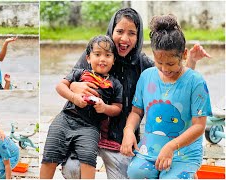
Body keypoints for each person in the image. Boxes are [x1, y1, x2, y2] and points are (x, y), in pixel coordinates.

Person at [62, 7, 211, 179]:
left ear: (138, 36)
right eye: (119, 31)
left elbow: (179, 85)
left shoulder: (145, 66)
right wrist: (74, 88)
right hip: (88, 130)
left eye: (131, 33)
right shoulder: (97, 52)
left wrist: (190, 61)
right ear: (112, 30)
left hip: (134, 144)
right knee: (78, 169)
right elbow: (68, 81)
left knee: (134, 173)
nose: (124, 38)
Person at [120, 14, 212, 179]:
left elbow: (199, 126)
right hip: (150, 150)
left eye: (170, 64)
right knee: (135, 173)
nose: (164, 69)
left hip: (184, 154)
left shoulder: (196, 82)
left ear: (184, 55)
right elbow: (136, 111)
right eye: (159, 63)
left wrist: (171, 147)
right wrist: (128, 131)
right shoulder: (147, 76)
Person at [40, 35, 123, 179]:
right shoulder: (81, 73)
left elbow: (117, 108)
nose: (102, 59)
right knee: (50, 154)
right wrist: (74, 97)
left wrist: (104, 108)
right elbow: (60, 86)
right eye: (97, 54)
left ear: (114, 59)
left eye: (108, 55)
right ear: (88, 58)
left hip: (90, 126)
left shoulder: (115, 84)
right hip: (66, 119)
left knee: (88, 158)